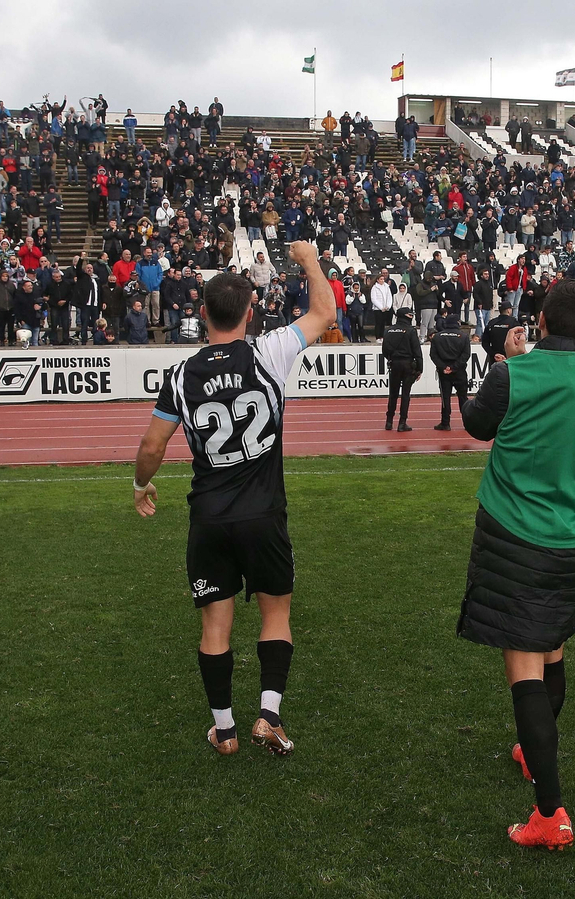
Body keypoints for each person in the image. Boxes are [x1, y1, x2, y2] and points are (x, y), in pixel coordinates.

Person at [130, 241, 335, 759]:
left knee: (215, 626)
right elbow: (323, 313)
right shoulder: (269, 351)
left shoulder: (180, 375)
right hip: (264, 515)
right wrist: (309, 261)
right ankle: (269, 714)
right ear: (250, 313)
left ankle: (225, 732)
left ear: (202, 315)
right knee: (276, 615)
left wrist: (140, 485)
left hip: (210, 519)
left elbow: (152, 446)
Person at [456, 279, 575, 849]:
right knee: (552, 647)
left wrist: (499, 367)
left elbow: (477, 424)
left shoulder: (512, 374)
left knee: (524, 664)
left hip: (515, 533)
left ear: (541, 321)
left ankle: (549, 813)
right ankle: (532, 751)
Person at [382, 307, 420, 431]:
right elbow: (417, 351)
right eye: (410, 315)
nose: (412, 317)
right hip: (407, 364)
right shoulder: (411, 331)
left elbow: (384, 350)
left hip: (394, 364)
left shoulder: (388, 330)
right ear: (405, 316)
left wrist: (392, 358)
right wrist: (419, 369)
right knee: (405, 394)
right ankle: (402, 423)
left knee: (393, 394)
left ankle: (389, 421)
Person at [430, 313, 470, 430]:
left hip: (444, 372)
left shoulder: (437, 336)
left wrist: (444, 367)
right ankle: (467, 423)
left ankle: (445, 423)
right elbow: (466, 355)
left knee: (445, 398)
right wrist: (454, 367)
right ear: (457, 323)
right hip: (459, 371)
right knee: (463, 397)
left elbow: (433, 355)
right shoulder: (463, 336)